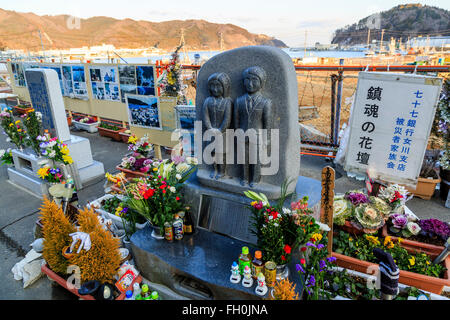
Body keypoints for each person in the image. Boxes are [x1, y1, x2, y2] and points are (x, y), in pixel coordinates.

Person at [234, 66, 272, 187]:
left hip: (258, 136)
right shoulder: (239, 101)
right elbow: (237, 120)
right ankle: (244, 178)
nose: (250, 84)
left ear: (261, 83)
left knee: (255, 160)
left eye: (254, 80)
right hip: (242, 135)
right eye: (247, 80)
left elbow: (267, 122)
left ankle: (254, 180)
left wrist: (267, 138)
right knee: (243, 159)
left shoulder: (266, 102)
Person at [202, 72, 232, 179]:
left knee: (221, 154)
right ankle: (214, 169)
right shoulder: (208, 101)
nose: (215, 89)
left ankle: (221, 171)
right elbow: (205, 116)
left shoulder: (227, 102)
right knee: (212, 153)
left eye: (218, 86)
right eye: (213, 86)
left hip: (222, 133)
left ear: (224, 87)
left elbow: (227, 119)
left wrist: (220, 130)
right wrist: (210, 128)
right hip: (211, 132)